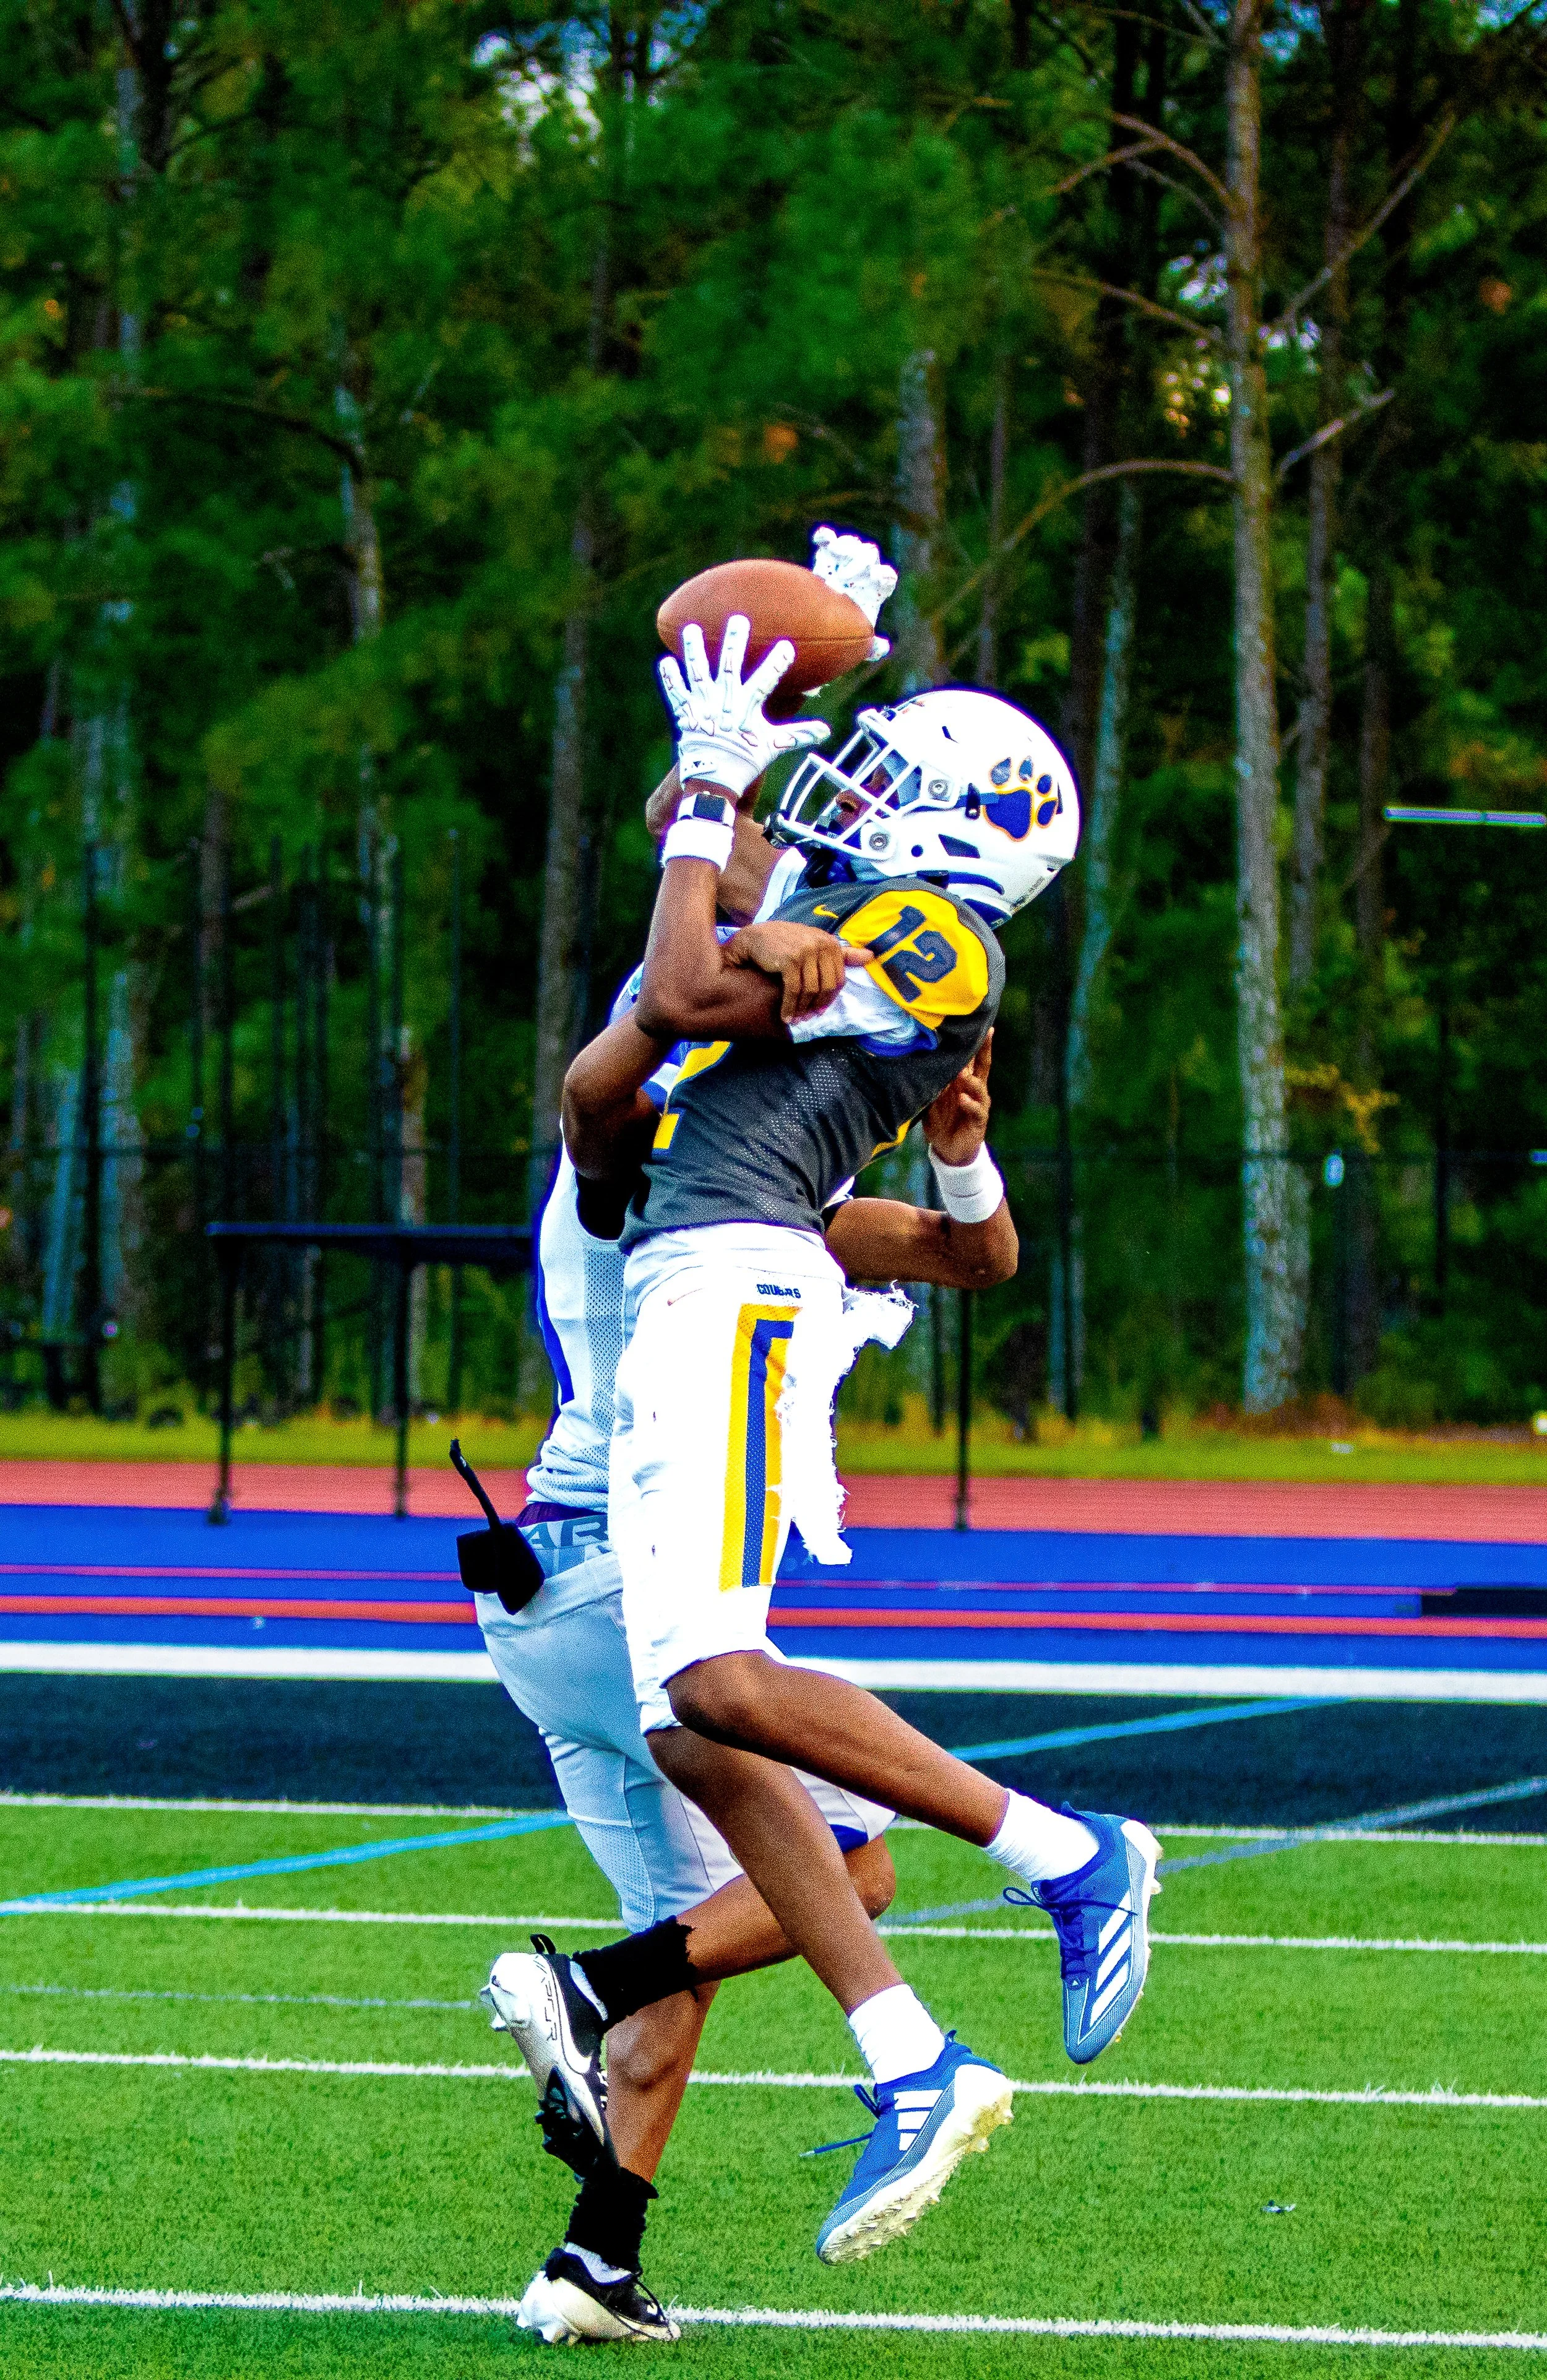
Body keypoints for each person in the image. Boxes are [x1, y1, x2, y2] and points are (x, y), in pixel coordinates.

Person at [514, 617, 1159, 2271]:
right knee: (704, 1740)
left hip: (727, 1305)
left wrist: (728, 792)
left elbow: (684, 973)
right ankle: (890, 2070)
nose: (843, 797)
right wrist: (736, 863)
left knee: (720, 1690)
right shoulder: (656, 1098)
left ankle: (1064, 1855)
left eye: (889, 775)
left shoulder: (933, 942)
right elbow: (627, 1041)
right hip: (686, 1321)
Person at [466, 686, 1019, 2335]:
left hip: (552, 1592)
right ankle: (589, 1989)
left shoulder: (763, 1187)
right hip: (607, 1567)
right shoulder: (631, 1140)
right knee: (843, 1860)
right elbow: (637, 1025)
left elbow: (974, 1255)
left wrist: (963, 1149)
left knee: (708, 1908)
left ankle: (596, 2255)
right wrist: (716, 809)